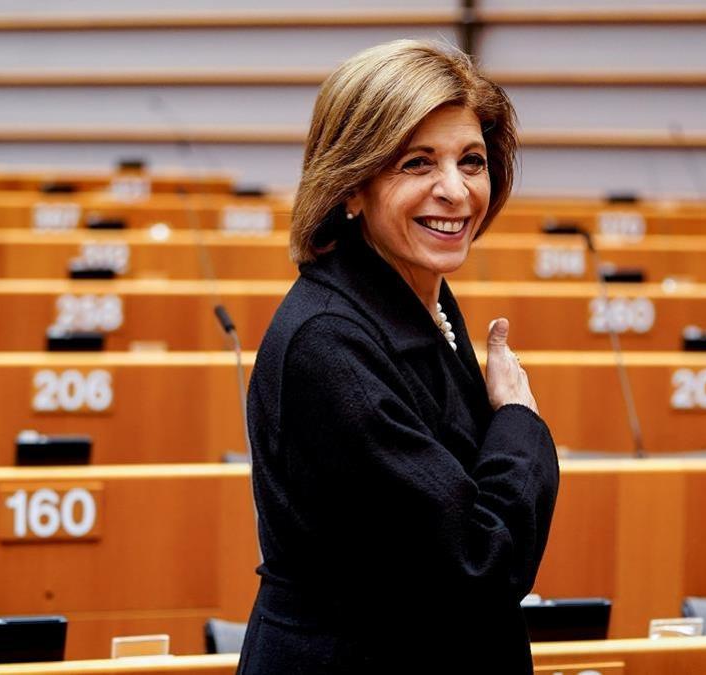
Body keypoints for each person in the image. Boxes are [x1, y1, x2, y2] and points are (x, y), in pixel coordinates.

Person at [237, 40, 559, 674]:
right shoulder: (328, 343)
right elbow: (479, 559)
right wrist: (520, 421)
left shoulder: (412, 293)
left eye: (472, 161)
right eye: (417, 163)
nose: (456, 191)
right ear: (350, 186)